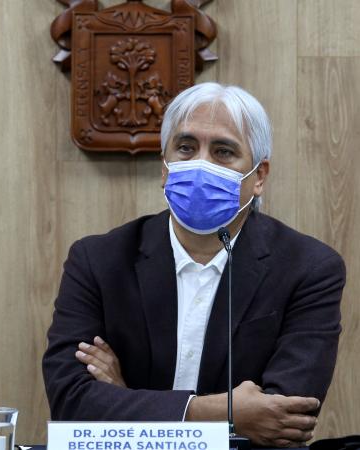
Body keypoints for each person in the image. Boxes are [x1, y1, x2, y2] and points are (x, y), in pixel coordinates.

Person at [42, 83, 346, 448]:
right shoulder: (98, 260)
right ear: (165, 167)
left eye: (223, 152)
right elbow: (71, 403)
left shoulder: (309, 269)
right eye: (186, 148)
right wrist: (222, 413)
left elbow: (284, 419)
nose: (201, 164)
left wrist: (126, 401)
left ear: (259, 176)